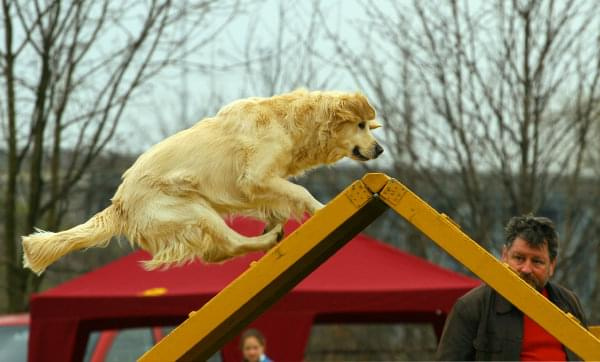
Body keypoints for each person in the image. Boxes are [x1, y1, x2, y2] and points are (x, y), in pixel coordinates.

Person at [436, 214, 588, 361]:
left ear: (552, 265)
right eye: (519, 258)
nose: (526, 269)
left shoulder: (568, 303)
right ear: (504, 256)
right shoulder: (472, 307)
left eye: (537, 261)